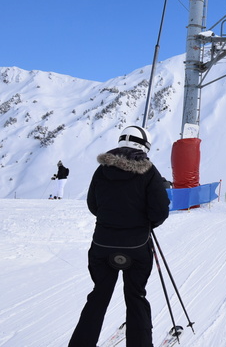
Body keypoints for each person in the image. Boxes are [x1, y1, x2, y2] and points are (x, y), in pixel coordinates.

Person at [69, 125, 170, 347]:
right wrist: (146, 223)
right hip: (137, 245)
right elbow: (160, 211)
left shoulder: (102, 170)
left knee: (99, 296)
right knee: (135, 297)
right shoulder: (149, 172)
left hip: (102, 244)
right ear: (144, 146)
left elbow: (93, 205)